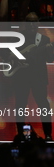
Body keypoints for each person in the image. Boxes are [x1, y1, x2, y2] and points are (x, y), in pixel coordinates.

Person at [11, 12, 53, 140]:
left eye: (34, 22)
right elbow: (8, 54)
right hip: (22, 77)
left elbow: (50, 59)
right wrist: (15, 60)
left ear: (38, 24)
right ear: (25, 24)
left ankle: (47, 135)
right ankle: (20, 134)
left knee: (43, 106)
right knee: (20, 106)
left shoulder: (44, 40)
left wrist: (50, 50)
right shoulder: (18, 38)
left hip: (38, 78)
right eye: (29, 22)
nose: (32, 25)